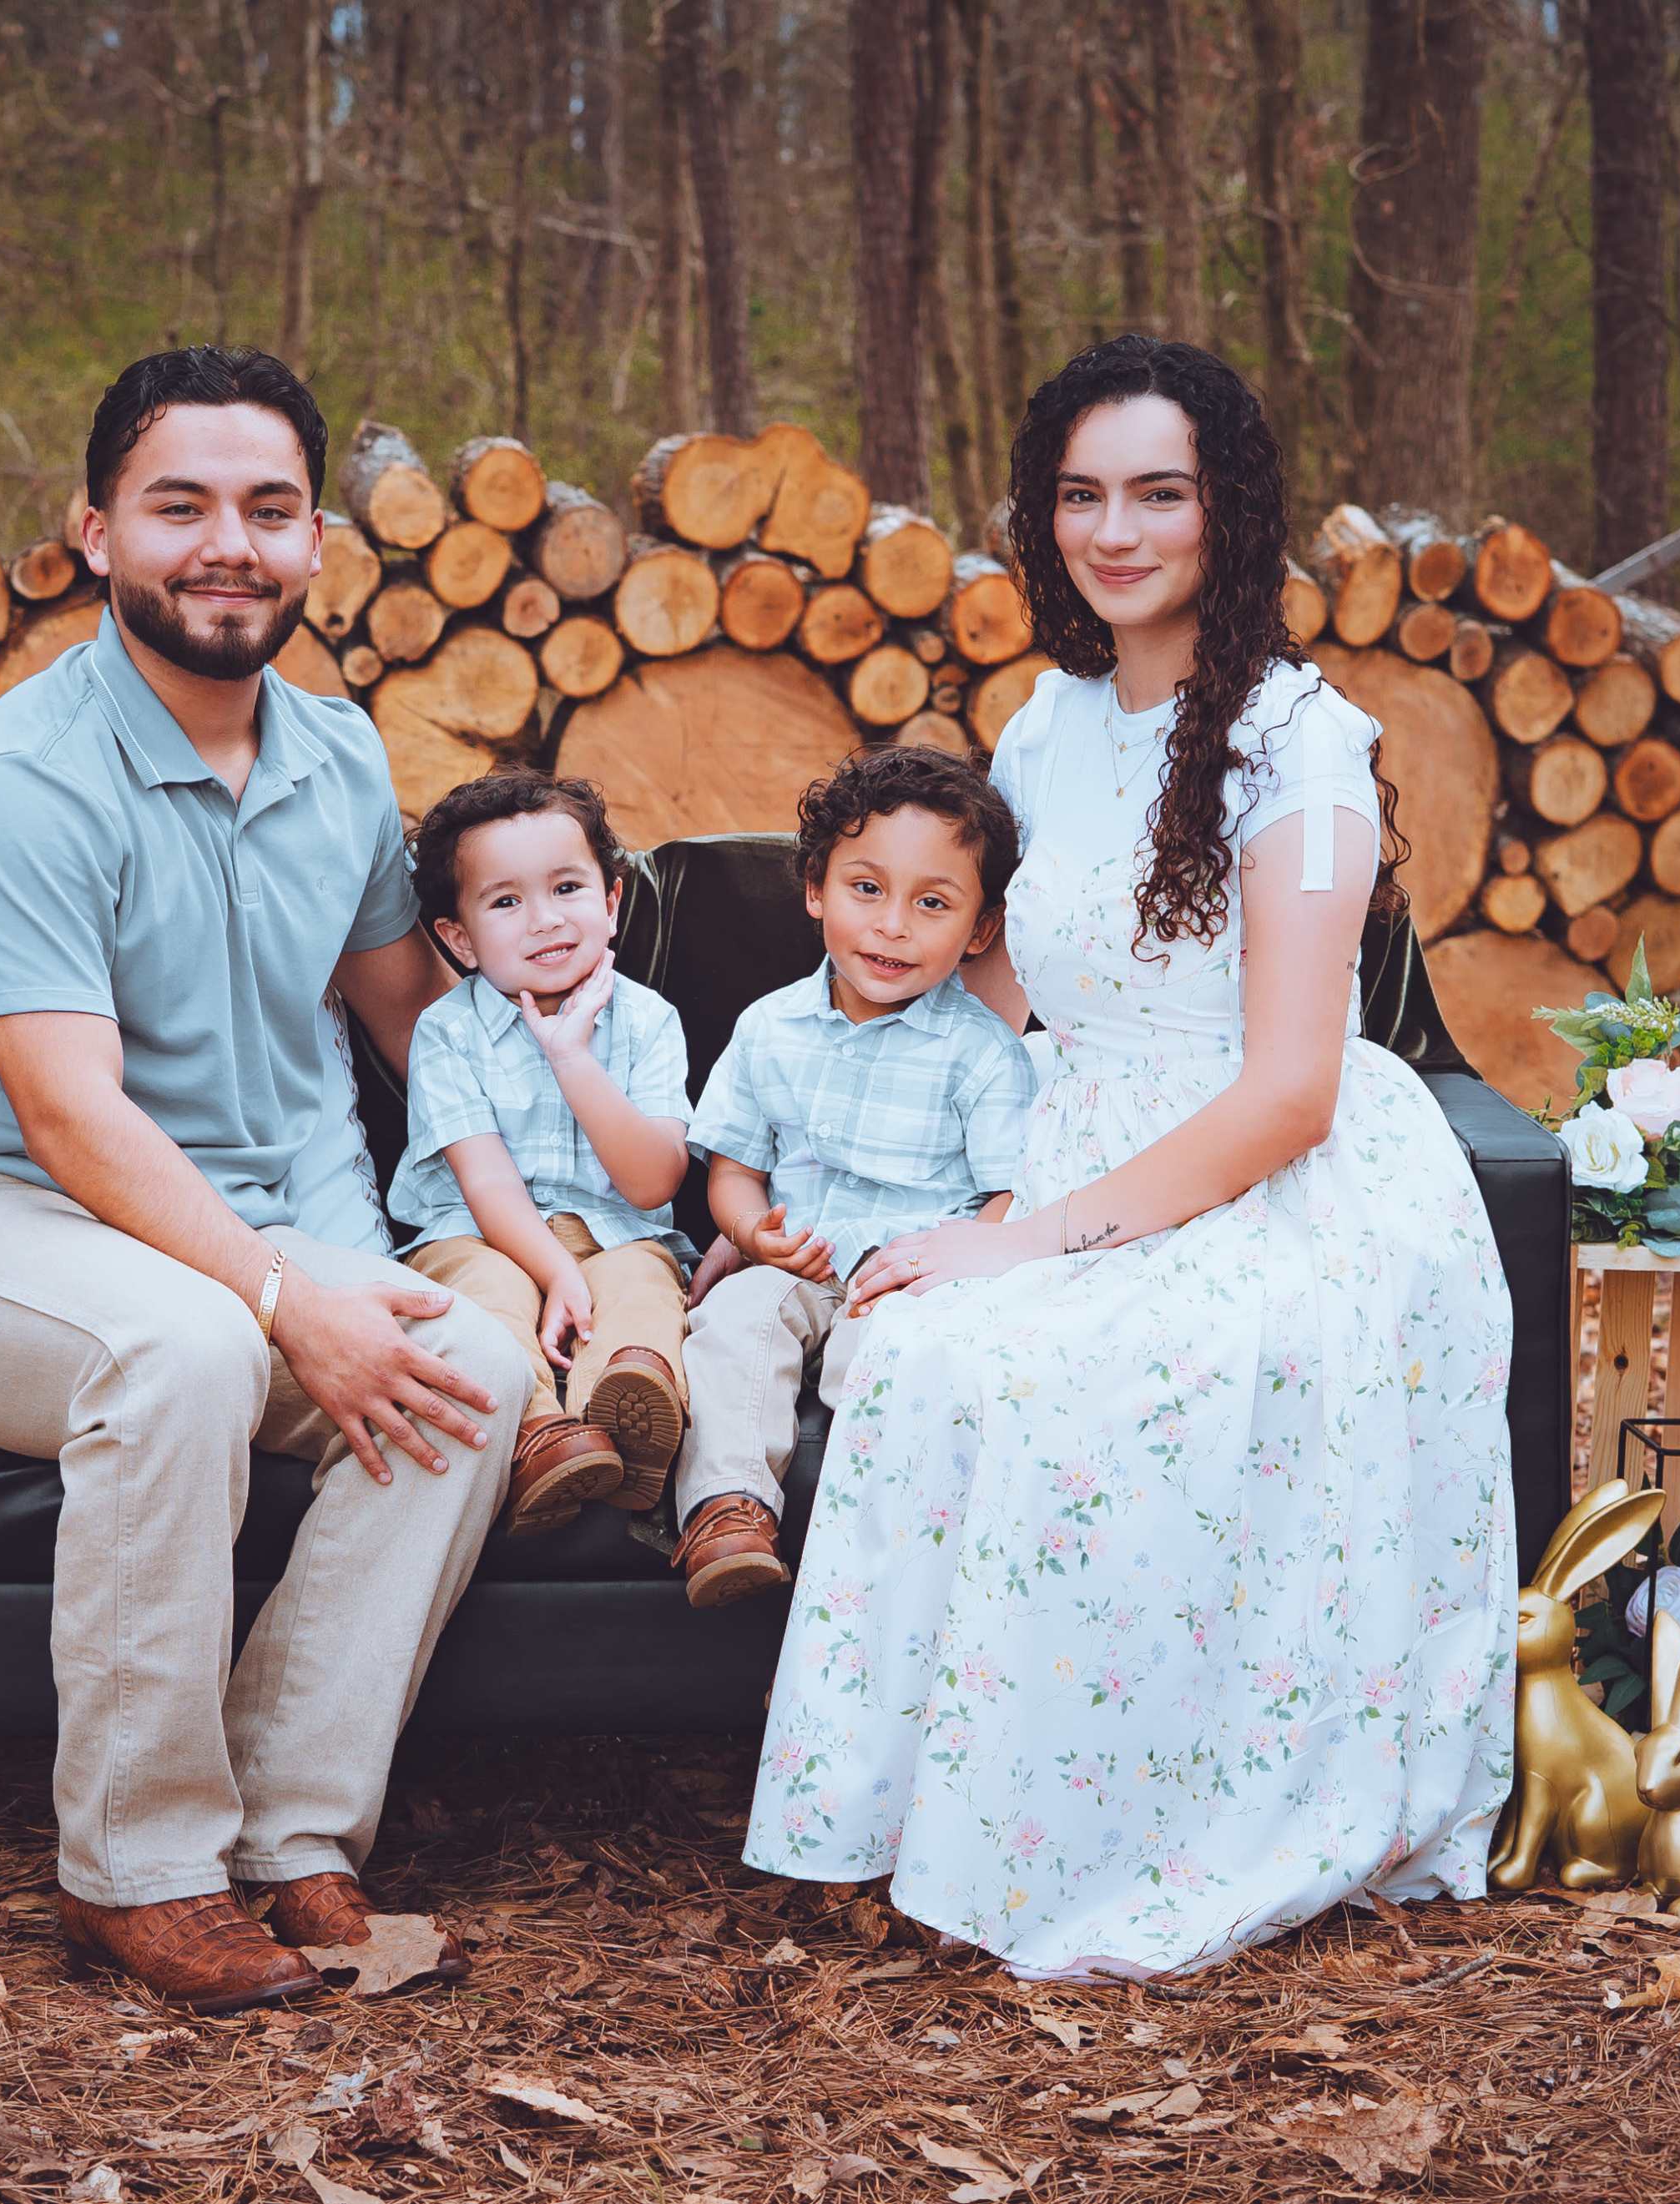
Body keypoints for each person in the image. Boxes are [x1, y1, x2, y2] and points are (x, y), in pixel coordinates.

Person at [743, 335, 1521, 1977]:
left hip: (1276, 1178)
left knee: (1074, 1370)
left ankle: (1117, 1833)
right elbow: (1028, 968)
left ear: (1229, 513)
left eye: (1157, 493)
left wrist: (1029, 1237)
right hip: (1076, 1135)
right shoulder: (1045, 723)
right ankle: (901, 1818)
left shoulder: (1301, 745)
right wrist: (973, 1138)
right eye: (1080, 496)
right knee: (908, 1344)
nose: (1116, 530)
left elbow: (1290, 1088)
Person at [0, 346, 534, 2018]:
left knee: (482, 1363)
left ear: (315, 546)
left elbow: (412, 1026)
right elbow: (75, 1123)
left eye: (268, 508)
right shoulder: (21, 782)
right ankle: (136, 1869)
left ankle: (292, 1828)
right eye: (182, 506)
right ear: (96, 533)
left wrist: (588, 1199)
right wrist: (291, 1294)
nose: (227, 542)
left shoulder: (340, 761)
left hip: (248, 1222)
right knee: (188, 1351)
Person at [671, 745, 1036, 1608]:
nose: (892, 925)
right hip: (797, 1259)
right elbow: (734, 1171)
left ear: (980, 930)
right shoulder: (769, 1029)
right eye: (865, 888)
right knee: (735, 1322)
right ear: (815, 888)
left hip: (910, 1276)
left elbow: (1012, 1193)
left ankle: (865, 1575)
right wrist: (754, 1228)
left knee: (886, 1365)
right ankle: (728, 1510)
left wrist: (958, 1256)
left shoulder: (981, 1053)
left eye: (934, 902)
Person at [388, 771, 695, 1533]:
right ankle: (533, 1430)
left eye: (566, 887)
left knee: (642, 1291)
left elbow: (654, 1179)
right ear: (457, 939)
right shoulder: (447, 1031)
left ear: (613, 900)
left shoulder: (649, 1020)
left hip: (616, 1231)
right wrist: (554, 1270)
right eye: (505, 901)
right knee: (484, 1297)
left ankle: (624, 1409)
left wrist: (573, 1060)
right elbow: (484, 1178)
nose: (544, 920)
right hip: (476, 1231)